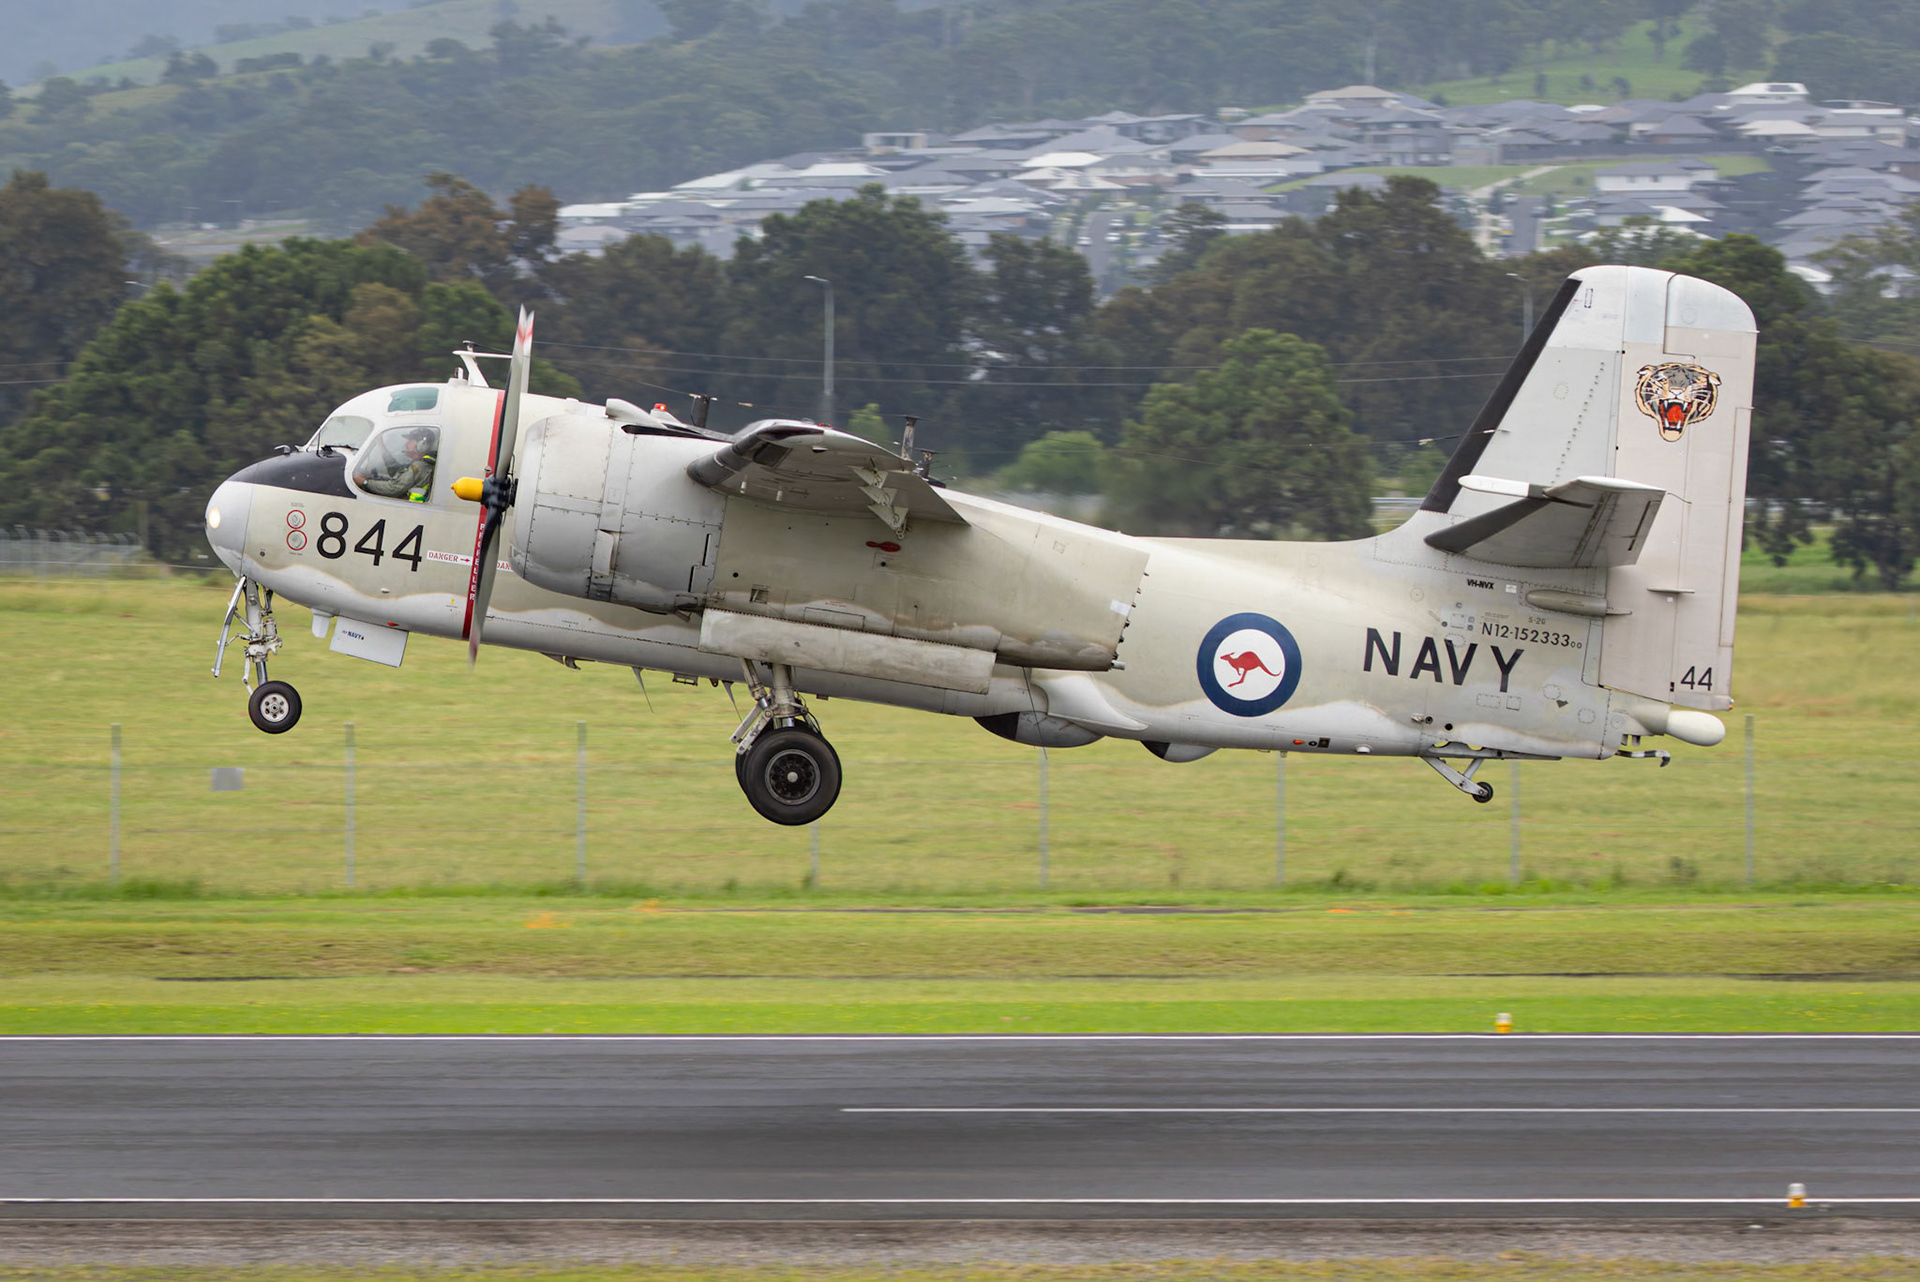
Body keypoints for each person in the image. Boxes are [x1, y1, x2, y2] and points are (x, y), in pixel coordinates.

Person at [356, 427, 437, 500]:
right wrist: (382, 447)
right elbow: (396, 471)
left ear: (422, 445)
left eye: (410, 440)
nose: (407, 443)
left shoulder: (420, 466)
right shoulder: (423, 463)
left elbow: (394, 488)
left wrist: (365, 482)